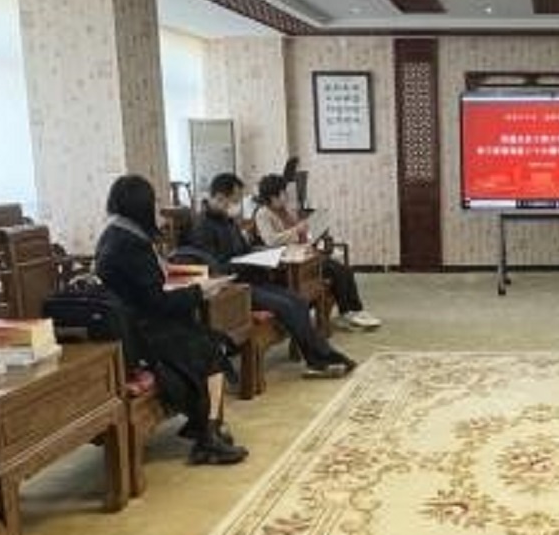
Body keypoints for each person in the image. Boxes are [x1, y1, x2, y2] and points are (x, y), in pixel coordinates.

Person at [95, 174, 248, 466]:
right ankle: (208, 436)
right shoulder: (131, 245)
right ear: (140, 205)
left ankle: (205, 426)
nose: (157, 208)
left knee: (208, 339)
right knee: (211, 348)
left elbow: (147, 293)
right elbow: (157, 302)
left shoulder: (114, 234)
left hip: (134, 324)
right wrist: (200, 292)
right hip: (142, 334)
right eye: (153, 202)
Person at [188, 173, 356, 378]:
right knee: (287, 306)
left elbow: (245, 250)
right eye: (235, 200)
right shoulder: (202, 227)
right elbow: (214, 269)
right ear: (220, 197)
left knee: (298, 301)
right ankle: (321, 359)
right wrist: (245, 262)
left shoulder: (228, 221)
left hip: (251, 278)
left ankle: (319, 358)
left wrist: (263, 256)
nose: (238, 206)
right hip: (234, 290)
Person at [252, 173, 380, 330]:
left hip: (303, 254)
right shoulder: (263, 214)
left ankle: (354, 310)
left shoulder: (284, 211)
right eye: (283, 193)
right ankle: (348, 312)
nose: (286, 196)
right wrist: (296, 230)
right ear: (272, 196)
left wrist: (309, 229)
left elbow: (300, 231)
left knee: (345, 270)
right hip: (289, 261)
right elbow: (271, 240)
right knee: (337, 271)